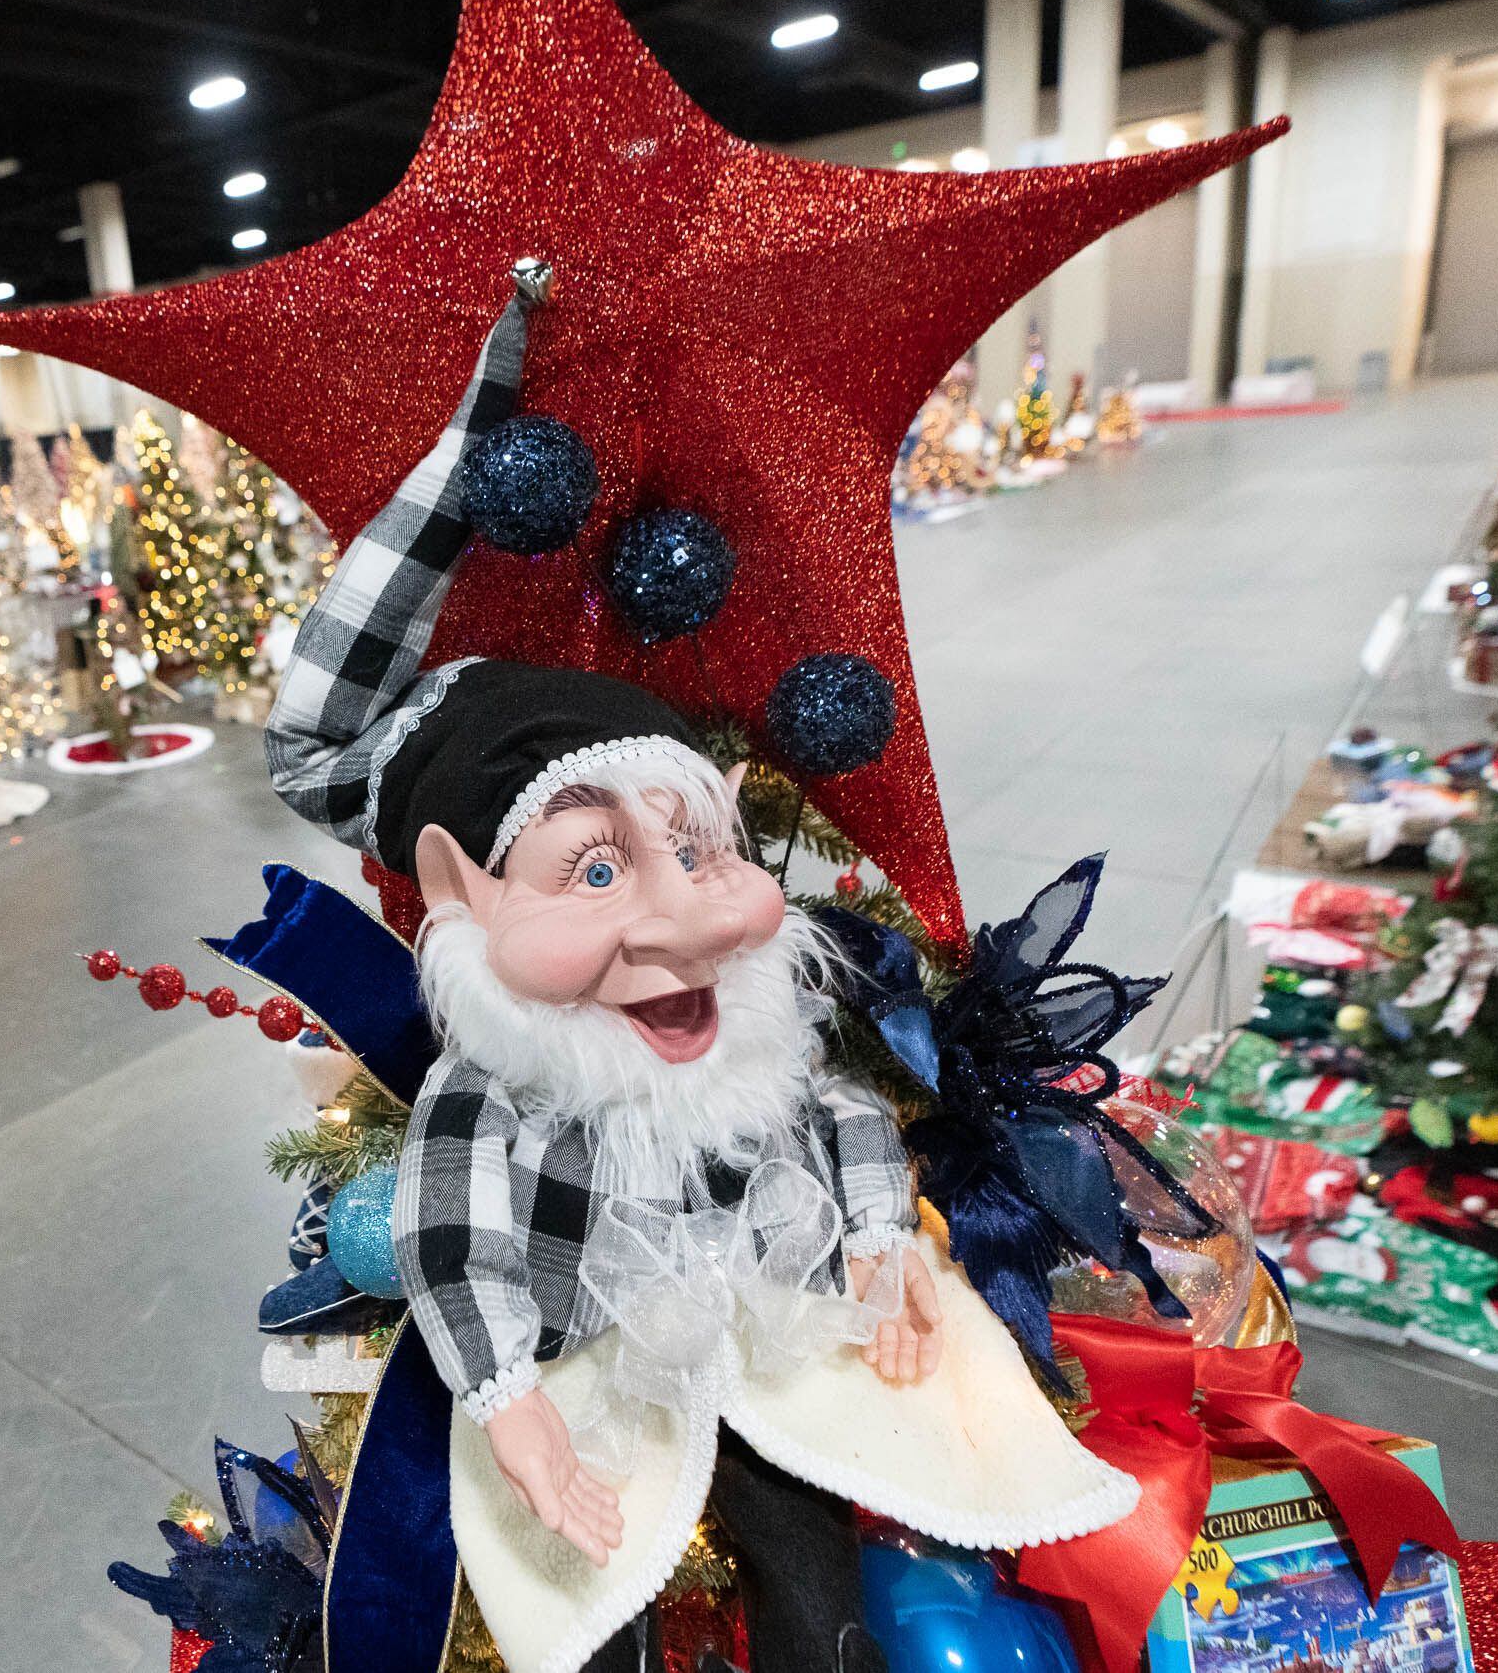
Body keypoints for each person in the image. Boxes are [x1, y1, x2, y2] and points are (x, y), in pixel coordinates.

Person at [262, 267, 1137, 1673]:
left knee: (816, 1563)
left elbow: (834, 1116)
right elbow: (451, 1234)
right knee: (579, 1578)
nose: (692, 925)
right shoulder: (502, 1091)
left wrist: (880, 1245)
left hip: (765, 1321)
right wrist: (507, 1400)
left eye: (697, 849)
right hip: (590, 1359)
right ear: (462, 897)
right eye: (593, 869)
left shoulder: (746, 1020)